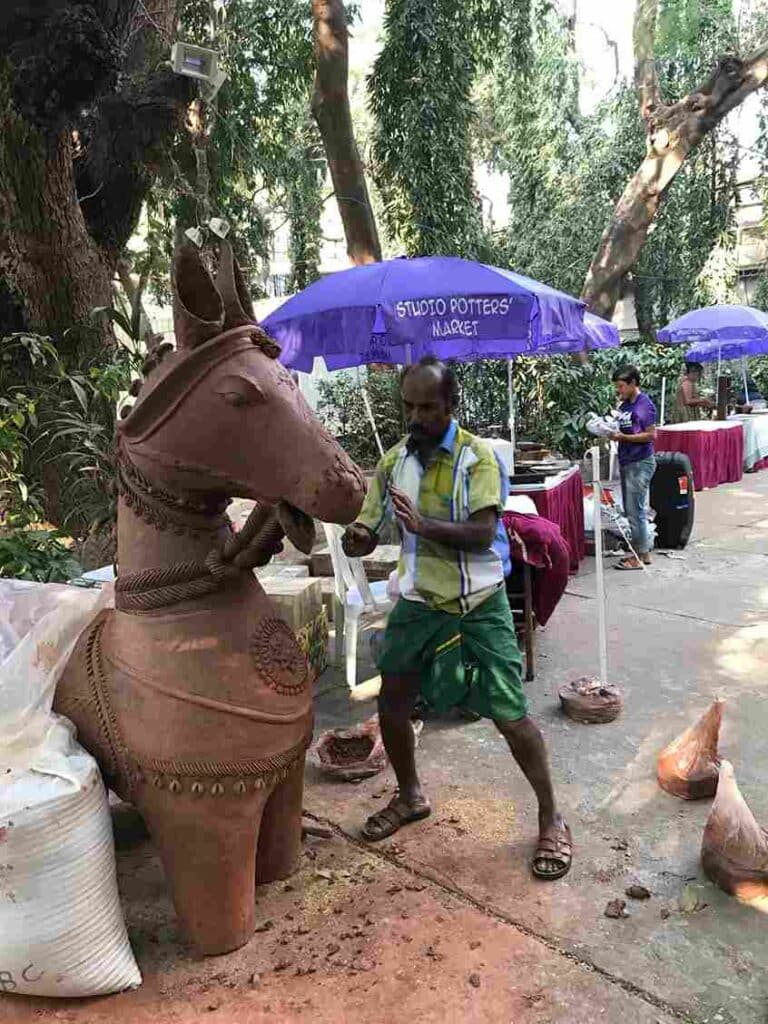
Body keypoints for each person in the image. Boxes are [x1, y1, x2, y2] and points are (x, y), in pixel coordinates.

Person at [342, 357, 572, 881]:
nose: (417, 416)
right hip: (419, 605)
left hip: (477, 605)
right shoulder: (393, 462)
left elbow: (481, 531)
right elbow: (370, 522)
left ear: (450, 405)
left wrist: (422, 526)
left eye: (428, 406)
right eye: (409, 406)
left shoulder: (478, 459)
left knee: (512, 717)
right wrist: (359, 536)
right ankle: (411, 796)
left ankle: (551, 817)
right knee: (392, 705)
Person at [611, 365, 657, 571]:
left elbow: (651, 435)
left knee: (635, 510)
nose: (618, 390)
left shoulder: (644, 405)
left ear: (632, 384)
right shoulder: (625, 405)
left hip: (640, 462)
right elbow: (619, 425)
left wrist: (624, 437)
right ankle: (641, 552)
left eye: (621, 386)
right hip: (627, 461)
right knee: (631, 509)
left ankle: (641, 555)